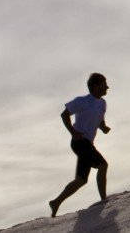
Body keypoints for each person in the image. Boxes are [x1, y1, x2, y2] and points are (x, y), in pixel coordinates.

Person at [49, 73, 111, 217]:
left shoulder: (102, 103)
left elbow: (100, 120)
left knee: (81, 180)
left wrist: (103, 127)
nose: (107, 87)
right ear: (95, 86)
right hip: (79, 141)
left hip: (88, 143)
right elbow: (64, 115)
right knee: (103, 165)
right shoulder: (81, 101)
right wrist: (73, 132)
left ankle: (56, 202)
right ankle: (104, 200)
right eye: (104, 84)